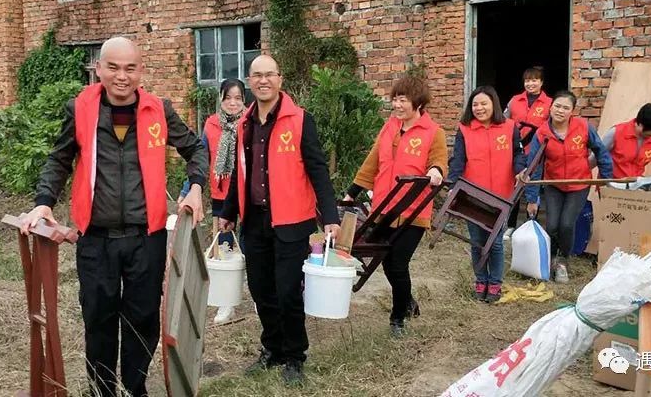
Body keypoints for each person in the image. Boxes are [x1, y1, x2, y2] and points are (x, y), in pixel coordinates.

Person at [20, 37, 207, 397]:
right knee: (98, 319)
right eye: (113, 67)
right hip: (95, 241)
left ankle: (134, 388)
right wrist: (44, 201)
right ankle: (102, 390)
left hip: (145, 238)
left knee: (142, 320)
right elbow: (59, 160)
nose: (122, 76)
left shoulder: (159, 110)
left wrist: (196, 185)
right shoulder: (80, 109)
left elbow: (195, 148)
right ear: (99, 69)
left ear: (141, 70)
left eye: (130, 68)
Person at [218, 55, 340, 386]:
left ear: (280, 79)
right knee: (260, 290)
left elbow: (317, 169)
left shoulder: (300, 120)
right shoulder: (244, 124)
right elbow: (240, 175)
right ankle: (271, 349)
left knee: (287, 291)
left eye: (269, 74)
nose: (263, 81)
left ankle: (294, 355)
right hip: (254, 221)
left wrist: (330, 215)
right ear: (249, 81)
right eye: (256, 75)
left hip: (291, 221)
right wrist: (228, 212)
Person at [342, 75, 447, 336]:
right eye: (395, 100)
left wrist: (435, 171)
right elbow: (373, 160)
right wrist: (352, 192)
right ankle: (408, 301)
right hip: (383, 209)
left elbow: (439, 162)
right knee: (386, 263)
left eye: (403, 100)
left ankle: (397, 317)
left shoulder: (434, 132)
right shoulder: (389, 126)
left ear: (418, 103)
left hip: (413, 213)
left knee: (398, 263)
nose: (397, 105)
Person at [524, 90, 612, 283]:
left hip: (578, 184)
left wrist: (605, 181)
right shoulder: (542, 133)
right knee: (553, 224)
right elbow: (534, 166)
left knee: (566, 224)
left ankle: (563, 261)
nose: (560, 110)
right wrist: (532, 198)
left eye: (566, 107)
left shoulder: (583, 127)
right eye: (557, 106)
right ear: (550, 106)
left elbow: (601, 152)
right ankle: (551, 257)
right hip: (554, 184)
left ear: (572, 111)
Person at [448, 86, 527, 303]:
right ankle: (480, 280)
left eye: (484, 103)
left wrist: (521, 170)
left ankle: (495, 283)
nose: (479, 108)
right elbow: (458, 160)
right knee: (476, 241)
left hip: (501, 196)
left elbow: (519, 153)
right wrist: (452, 186)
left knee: (496, 242)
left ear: (494, 104)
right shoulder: (464, 129)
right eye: (475, 104)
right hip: (472, 195)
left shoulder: (509, 127)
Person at [179, 78, 246, 324]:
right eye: (228, 97)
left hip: (247, 197)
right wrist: (188, 189)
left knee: (251, 248)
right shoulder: (211, 124)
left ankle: (262, 299)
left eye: (238, 98)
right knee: (224, 249)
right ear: (221, 98)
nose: (233, 103)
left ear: (244, 101)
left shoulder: (251, 123)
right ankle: (226, 304)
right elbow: (201, 158)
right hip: (222, 197)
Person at [504, 66, 552, 239]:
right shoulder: (514, 101)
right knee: (514, 185)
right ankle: (510, 225)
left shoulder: (549, 103)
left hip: (536, 152)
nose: (530, 84)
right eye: (527, 80)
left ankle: (532, 224)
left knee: (533, 186)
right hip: (515, 149)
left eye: (534, 80)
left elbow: (551, 127)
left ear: (541, 82)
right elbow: (504, 121)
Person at [593, 103, 651, 180]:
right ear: (640, 124)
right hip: (611, 185)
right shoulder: (616, 133)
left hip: (636, 187)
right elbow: (594, 158)